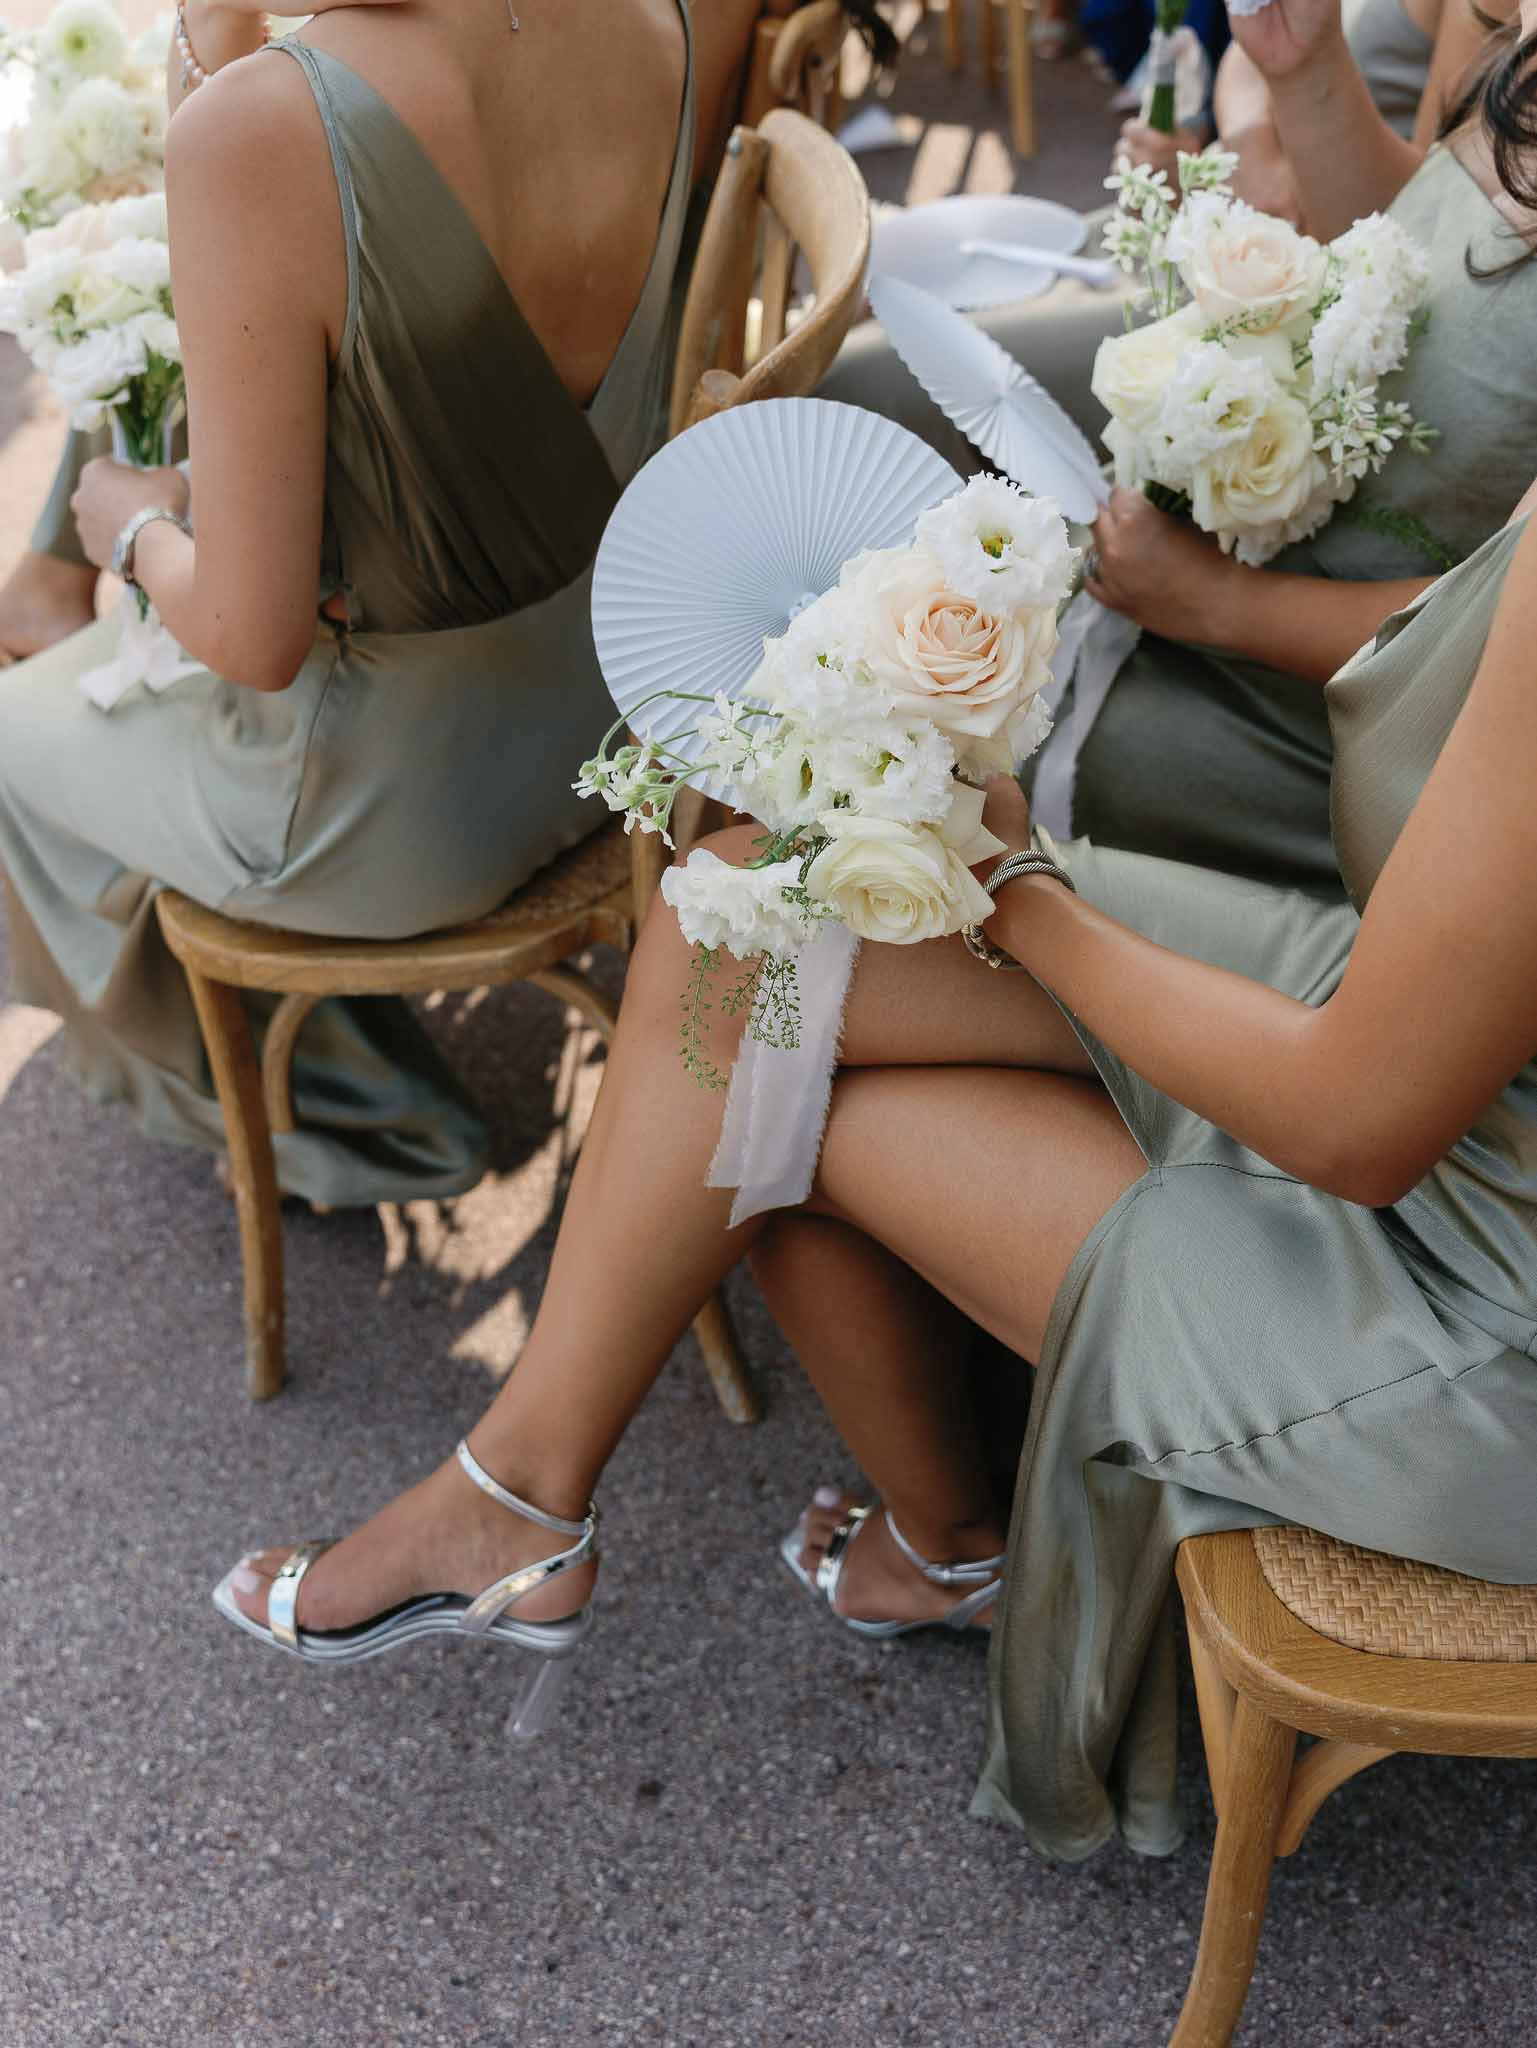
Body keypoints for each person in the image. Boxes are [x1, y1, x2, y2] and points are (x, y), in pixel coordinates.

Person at [216, 14, 1537, 1858]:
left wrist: (1011, 890)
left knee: (772, 1118)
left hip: (1477, 1300)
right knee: (757, 903)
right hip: (1434, 1034)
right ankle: (528, 1490)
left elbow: (1360, 1121)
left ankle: (950, 1541)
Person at [0, 0, 747, 1208]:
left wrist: (128, 528)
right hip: (615, 713)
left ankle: (361, 1120)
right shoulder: (656, 11)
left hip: (391, 817)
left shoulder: (268, 124)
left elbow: (255, 635)